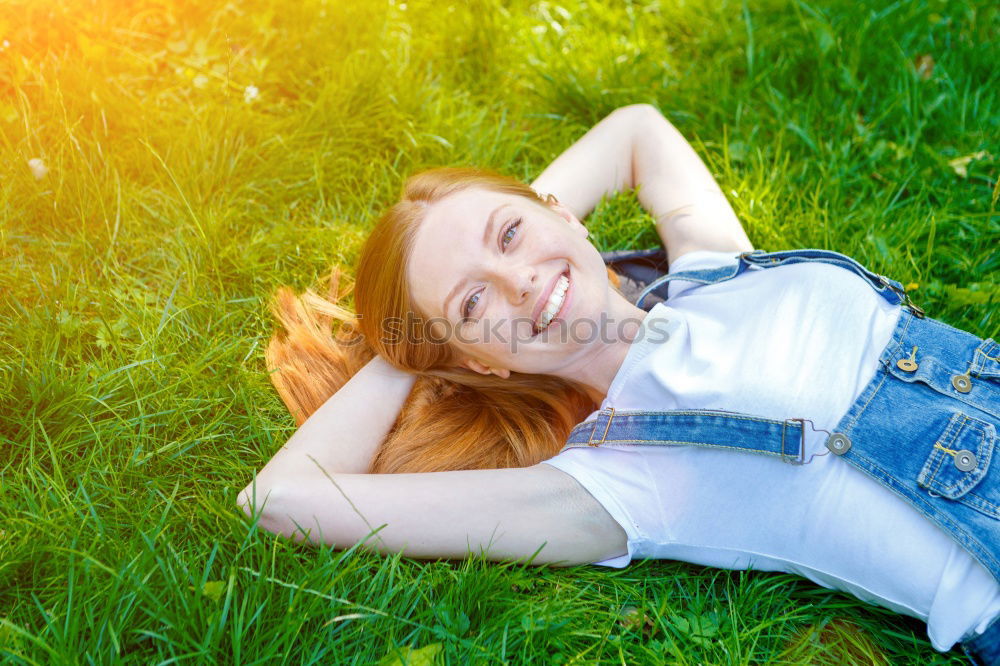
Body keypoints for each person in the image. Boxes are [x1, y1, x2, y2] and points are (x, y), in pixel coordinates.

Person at [237, 104, 1000, 663]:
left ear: (561, 211)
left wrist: (527, 231)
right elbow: (277, 501)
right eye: (474, 303)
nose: (519, 282)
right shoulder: (614, 482)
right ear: (479, 363)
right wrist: (407, 354)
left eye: (509, 235)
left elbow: (636, 132)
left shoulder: (716, 269)